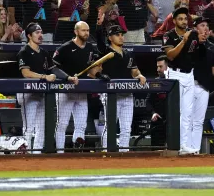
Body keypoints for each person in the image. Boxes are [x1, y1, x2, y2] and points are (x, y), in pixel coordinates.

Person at [163, 8, 214, 155]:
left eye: (185, 19)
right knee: (177, 113)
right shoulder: (169, 35)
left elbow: (204, 55)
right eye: (180, 19)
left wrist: (201, 40)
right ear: (174, 21)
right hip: (175, 74)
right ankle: (176, 145)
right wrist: (184, 41)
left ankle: (186, 146)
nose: (183, 21)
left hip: (189, 75)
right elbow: (170, 56)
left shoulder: (194, 36)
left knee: (188, 113)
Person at [17, 23, 75, 153]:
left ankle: (36, 154)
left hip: (41, 93)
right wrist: (44, 77)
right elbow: (26, 73)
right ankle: (25, 155)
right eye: (36, 33)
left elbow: (53, 68)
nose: (40, 35)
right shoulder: (24, 51)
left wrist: (68, 78)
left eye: (41, 32)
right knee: (29, 128)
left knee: (42, 127)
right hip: (28, 93)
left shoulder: (43, 52)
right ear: (29, 36)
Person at [95, 25, 146, 151]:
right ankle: (107, 150)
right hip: (111, 95)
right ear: (110, 38)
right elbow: (99, 40)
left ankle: (124, 151)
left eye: (122, 34)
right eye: (117, 34)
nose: (121, 37)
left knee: (126, 127)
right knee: (110, 125)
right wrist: (99, 25)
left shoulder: (128, 54)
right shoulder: (106, 51)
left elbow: (134, 71)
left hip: (127, 94)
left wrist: (139, 75)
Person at [53, 21, 97, 152]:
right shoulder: (65, 48)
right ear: (76, 31)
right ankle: (60, 152)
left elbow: (92, 69)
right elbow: (53, 67)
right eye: (83, 30)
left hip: (82, 91)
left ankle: (77, 152)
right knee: (62, 124)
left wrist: (97, 73)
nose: (86, 33)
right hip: (65, 91)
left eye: (88, 30)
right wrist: (67, 77)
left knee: (81, 125)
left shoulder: (90, 47)